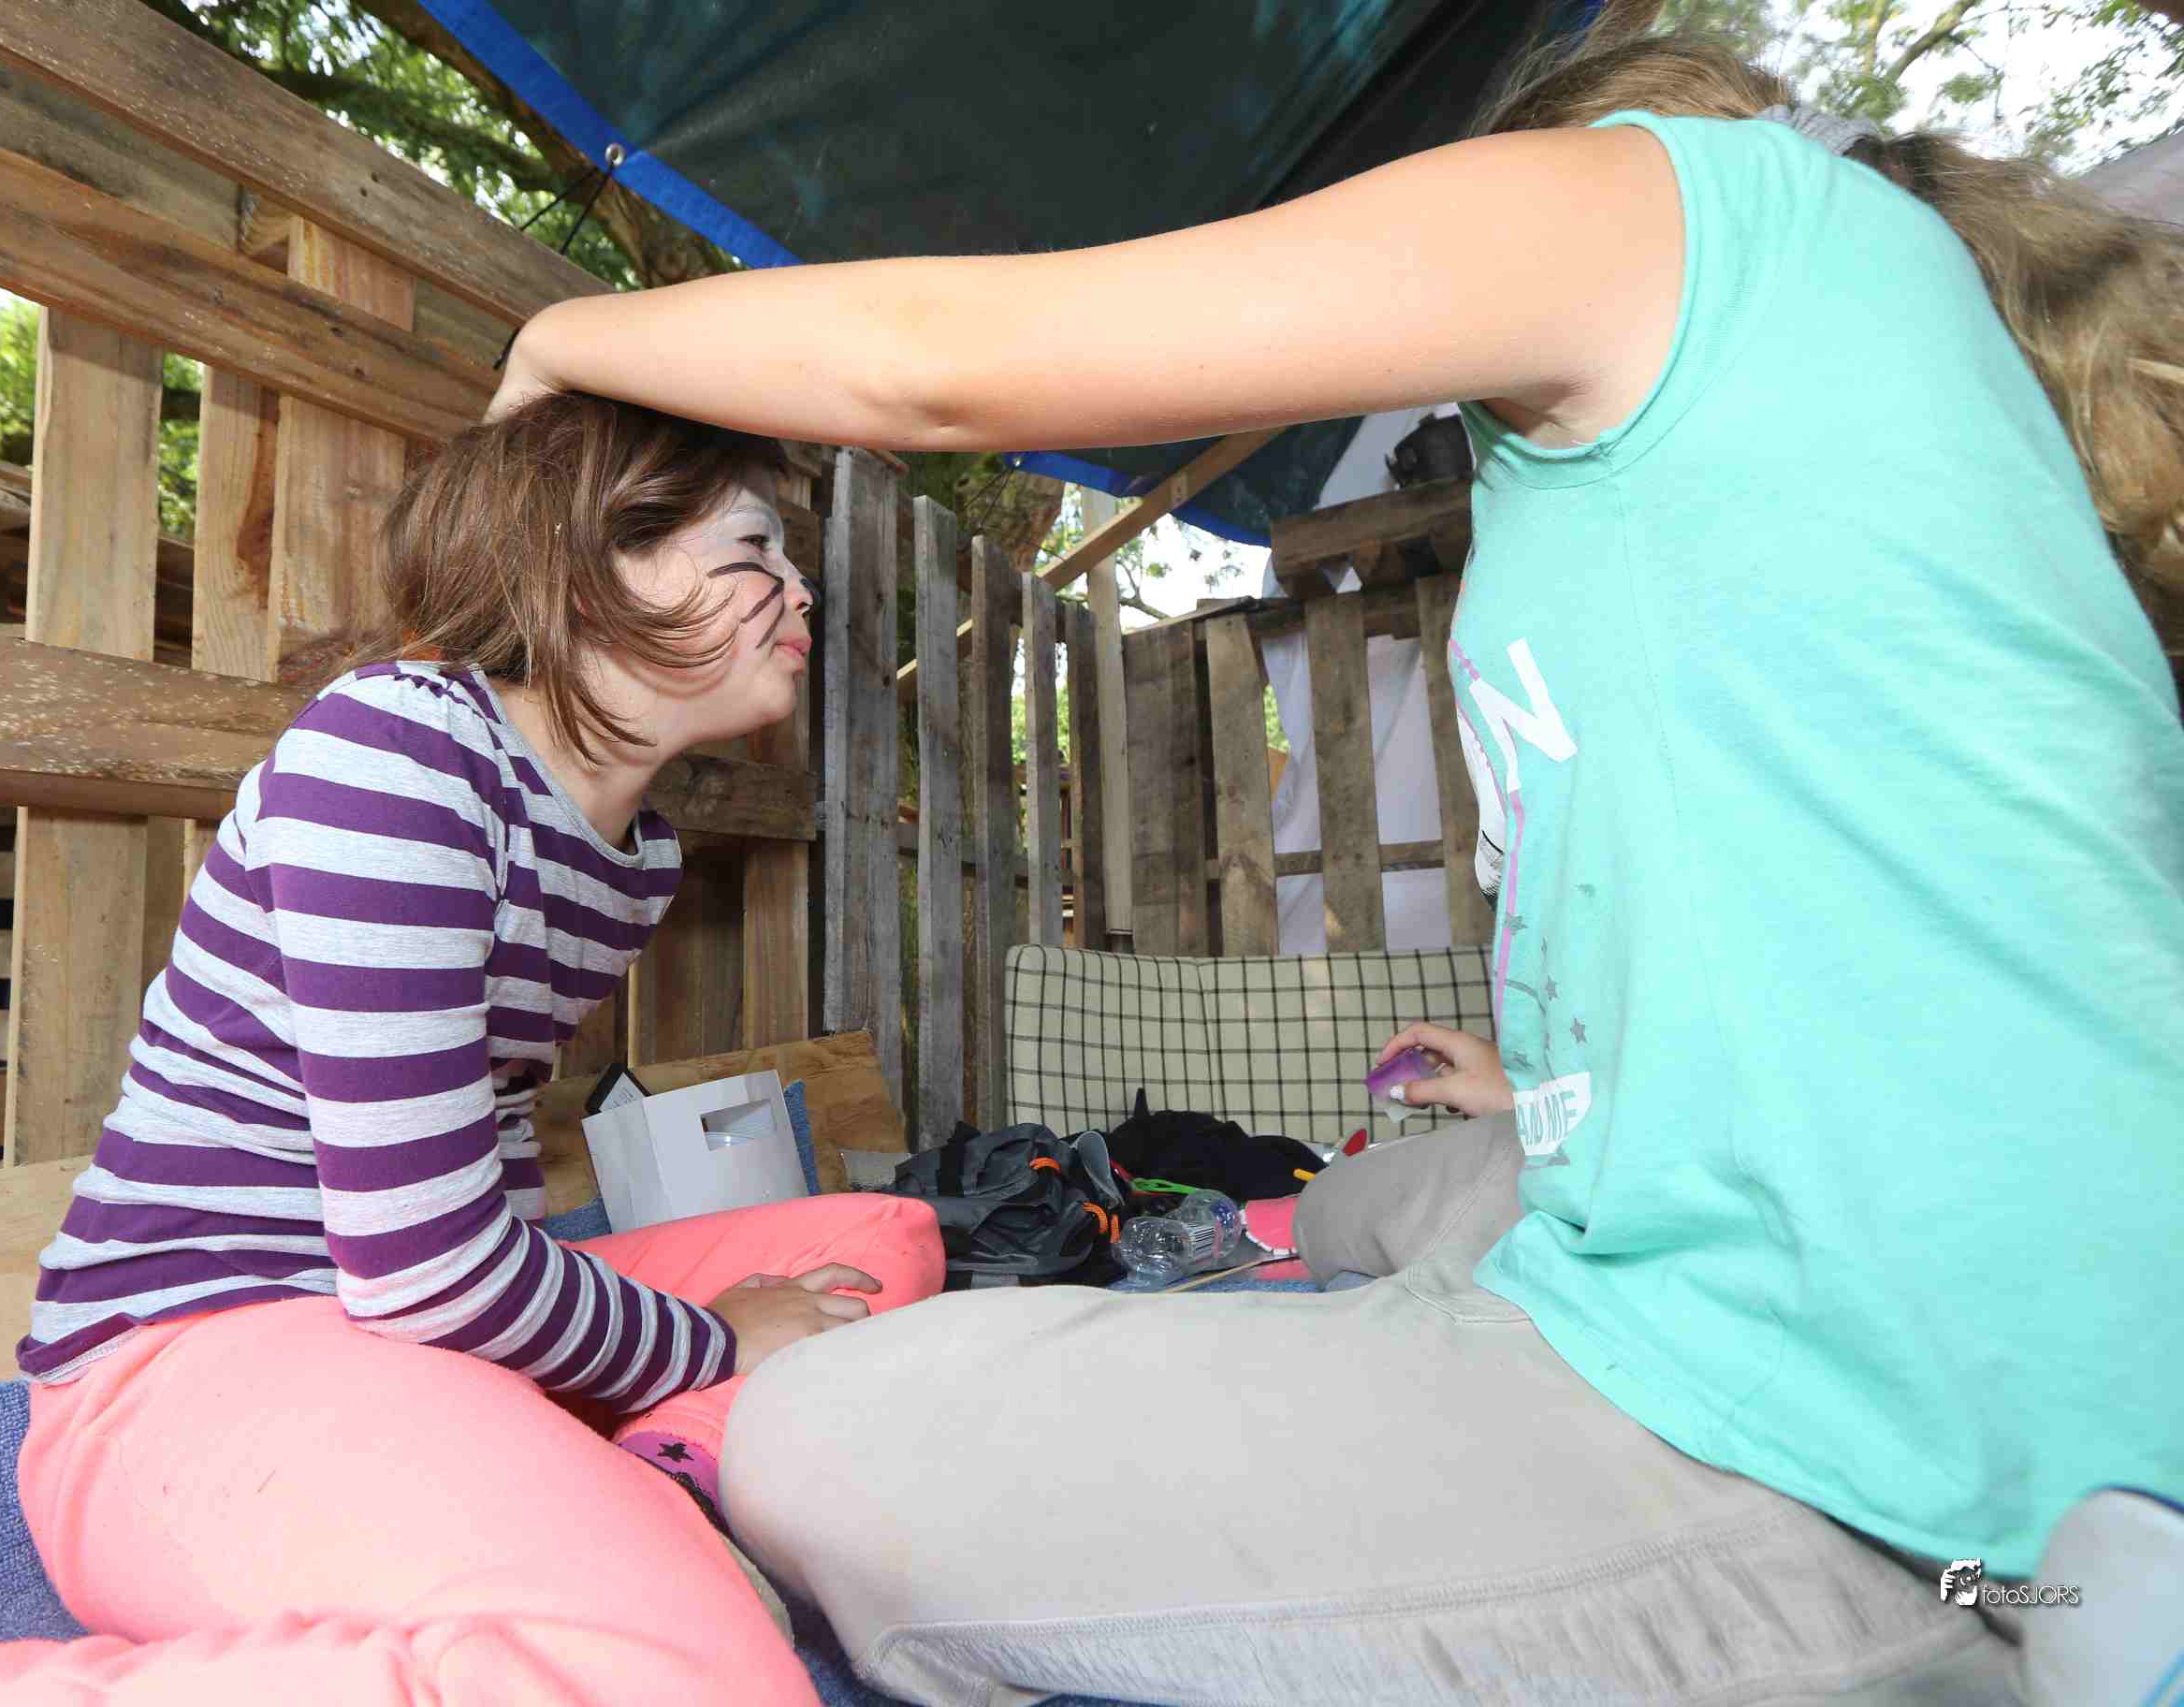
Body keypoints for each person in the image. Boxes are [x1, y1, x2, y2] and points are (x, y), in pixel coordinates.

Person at [480, 6, 2182, 1703]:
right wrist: (1556, 1092)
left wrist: (567, 336)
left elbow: (931, 363)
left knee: (819, 1436)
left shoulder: (1665, 202)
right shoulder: (1835, 375)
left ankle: (1995, 1599)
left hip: (1884, 1437)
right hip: (1786, 1226)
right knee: (1359, 1197)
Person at [0, 396, 946, 1707]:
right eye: (754, 549)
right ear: (579, 566)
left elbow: (475, 1167)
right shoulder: (399, 752)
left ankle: (637, 1501)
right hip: (194, 1363)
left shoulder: (632, 855)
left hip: (415, 1331)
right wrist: (706, 1343)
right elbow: (431, 1267)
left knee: (882, 1241)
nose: (799, 591)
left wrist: (654, 1351)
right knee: (695, 1675)